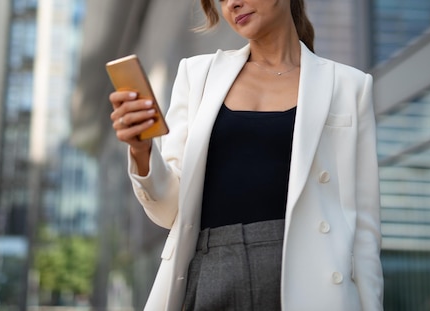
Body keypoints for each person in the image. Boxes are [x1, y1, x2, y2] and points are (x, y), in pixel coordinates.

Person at [109, 0, 384, 310]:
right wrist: (141, 149)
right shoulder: (197, 75)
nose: (232, 4)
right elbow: (170, 210)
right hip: (212, 271)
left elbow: (364, 228)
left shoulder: (349, 86)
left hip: (309, 278)